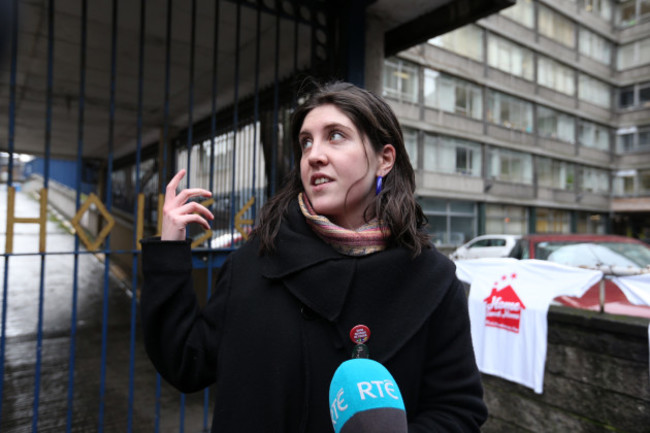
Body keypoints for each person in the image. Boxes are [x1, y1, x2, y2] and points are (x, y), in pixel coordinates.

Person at [140, 81, 487, 432]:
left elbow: (458, 411)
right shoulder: (256, 261)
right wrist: (170, 248)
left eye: (335, 136)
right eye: (306, 142)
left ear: (384, 159)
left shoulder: (432, 278)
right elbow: (186, 362)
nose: (314, 155)